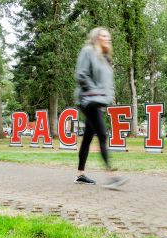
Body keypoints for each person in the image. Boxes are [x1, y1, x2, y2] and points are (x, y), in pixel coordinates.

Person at [74, 27, 127, 188]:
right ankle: (112, 176)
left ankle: (80, 174)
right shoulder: (88, 51)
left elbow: (107, 84)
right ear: (96, 37)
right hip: (88, 100)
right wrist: (93, 91)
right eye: (103, 35)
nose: (107, 38)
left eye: (108, 36)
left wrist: (107, 97)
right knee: (102, 135)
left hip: (98, 102)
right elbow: (81, 74)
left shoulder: (105, 58)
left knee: (88, 137)